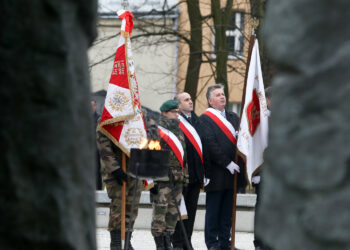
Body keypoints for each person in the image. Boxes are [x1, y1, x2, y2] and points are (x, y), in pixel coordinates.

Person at [96, 111, 159, 250]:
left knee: (132, 208)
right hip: (117, 171)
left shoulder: (140, 114)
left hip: (136, 169)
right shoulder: (107, 117)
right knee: (118, 207)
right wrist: (115, 169)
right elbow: (103, 147)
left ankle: (127, 241)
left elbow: (154, 132)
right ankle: (117, 242)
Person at [200, 84, 247, 250]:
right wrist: (227, 163)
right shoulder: (205, 119)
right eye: (218, 95)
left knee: (227, 211)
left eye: (223, 94)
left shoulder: (233, 116)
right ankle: (212, 243)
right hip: (216, 172)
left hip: (233, 173)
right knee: (214, 211)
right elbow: (210, 144)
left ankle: (225, 242)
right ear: (210, 101)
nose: (222, 97)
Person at [150, 99, 188, 250]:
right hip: (162, 180)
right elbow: (150, 156)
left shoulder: (178, 130)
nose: (177, 115)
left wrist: (185, 176)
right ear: (164, 113)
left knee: (173, 215)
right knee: (160, 215)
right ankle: (160, 246)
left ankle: (168, 244)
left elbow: (183, 157)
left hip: (177, 179)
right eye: (174, 112)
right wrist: (151, 182)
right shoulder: (155, 130)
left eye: (178, 112)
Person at [172, 92, 205, 250]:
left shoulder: (197, 121)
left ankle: (187, 241)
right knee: (179, 212)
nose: (191, 102)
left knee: (191, 212)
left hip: (196, 175)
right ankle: (178, 242)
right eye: (186, 100)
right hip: (181, 176)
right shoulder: (174, 122)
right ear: (178, 105)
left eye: (191, 99)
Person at [252, 87, 272, 250]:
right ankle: (259, 242)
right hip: (263, 172)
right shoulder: (260, 120)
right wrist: (255, 172)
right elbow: (255, 147)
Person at [91, 100, 103, 190]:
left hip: (96, 147)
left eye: (92, 105)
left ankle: (98, 189)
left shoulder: (99, 118)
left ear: (95, 106)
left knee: (97, 169)